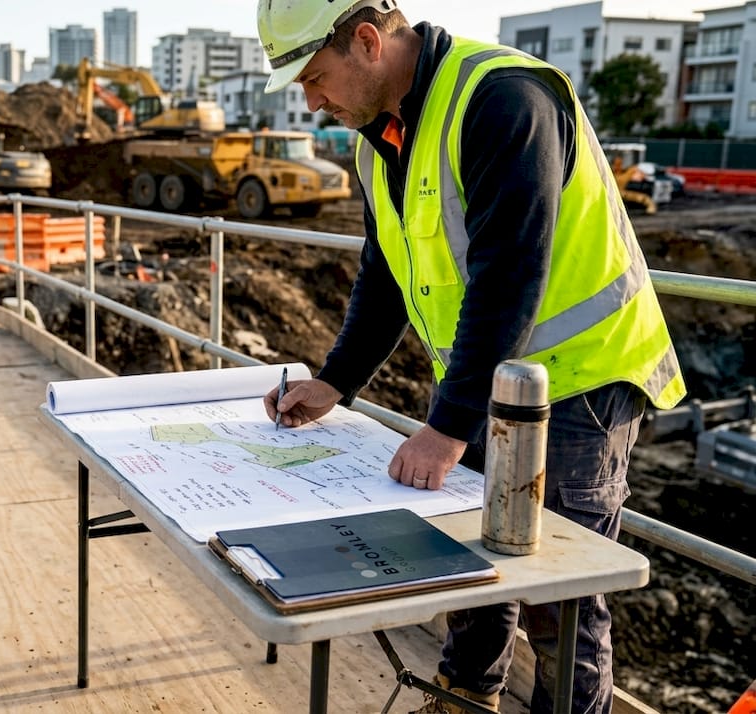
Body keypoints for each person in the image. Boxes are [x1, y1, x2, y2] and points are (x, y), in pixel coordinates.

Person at [256, 1, 687, 712]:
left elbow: (511, 270)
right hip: (490, 380)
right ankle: (463, 699)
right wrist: (335, 381)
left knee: (559, 599)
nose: (312, 102)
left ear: (366, 42)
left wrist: (448, 425)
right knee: (471, 566)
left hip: (582, 382)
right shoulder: (377, 141)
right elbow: (386, 273)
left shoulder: (502, 98)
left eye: (314, 78)